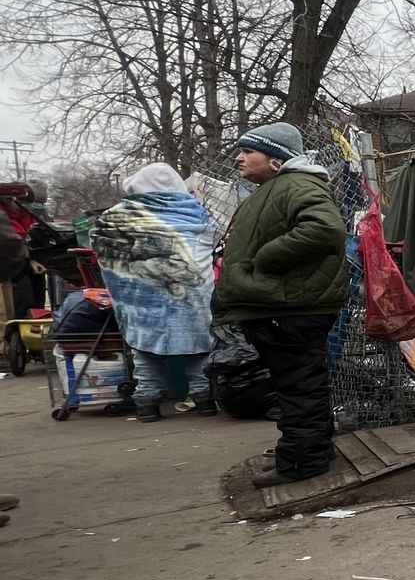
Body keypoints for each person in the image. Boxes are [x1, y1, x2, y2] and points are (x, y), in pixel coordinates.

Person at [211, 121, 349, 488]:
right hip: (283, 305)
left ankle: (302, 462)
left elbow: (323, 229)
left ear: (276, 159)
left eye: (248, 151)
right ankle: (313, 449)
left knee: (298, 386)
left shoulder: (297, 185)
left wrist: (265, 261)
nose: (239, 158)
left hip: (291, 308)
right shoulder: (279, 187)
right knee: (300, 384)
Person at [90, 163, 218, 422]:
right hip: (189, 293)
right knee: (198, 347)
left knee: (145, 349)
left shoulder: (120, 215)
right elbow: (210, 240)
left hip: (140, 297)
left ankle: (147, 403)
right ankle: (205, 399)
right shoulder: (194, 212)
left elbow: (98, 239)